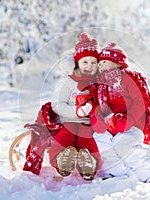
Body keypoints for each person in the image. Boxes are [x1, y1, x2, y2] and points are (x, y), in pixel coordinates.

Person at [93, 42, 150, 182]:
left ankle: (149, 174)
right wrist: (98, 119)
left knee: (126, 145)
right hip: (110, 125)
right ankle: (115, 172)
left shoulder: (130, 77)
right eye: (99, 63)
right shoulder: (101, 83)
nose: (100, 66)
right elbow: (99, 105)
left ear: (117, 62)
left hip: (131, 124)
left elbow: (141, 100)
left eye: (104, 62)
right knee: (101, 142)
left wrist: (127, 120)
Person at [46, 32, 102, 181]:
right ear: (77, 63)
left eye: (93, 62)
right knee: (62, 141)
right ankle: (62, 160)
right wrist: (75, 112)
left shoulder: (99, 83)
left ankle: (89, 163)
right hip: (68, 123)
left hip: (88, 126)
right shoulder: (68, 82)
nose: (89, 66)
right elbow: (57, 104)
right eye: (85, 62)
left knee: (90, 143)